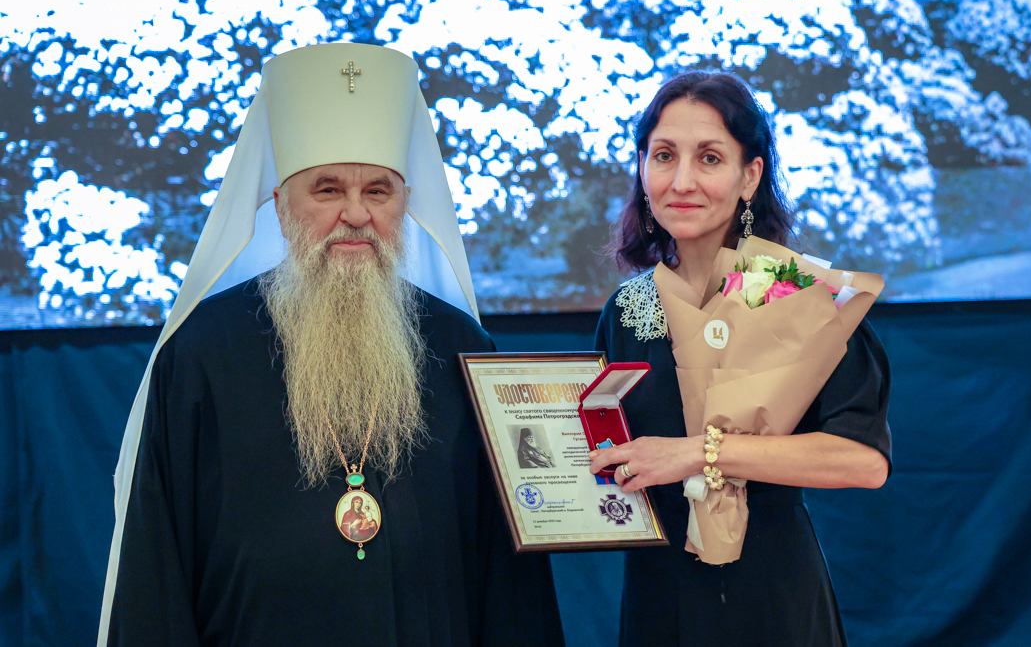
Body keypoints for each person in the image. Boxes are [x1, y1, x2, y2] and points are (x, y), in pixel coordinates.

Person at [100, 44, 564, 647]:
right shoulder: (201, 355)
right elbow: (155, 573)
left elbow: (510, 586)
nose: (356, 214)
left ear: (404, 204)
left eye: (378, 191)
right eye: (326, 190)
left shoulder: (462, 349)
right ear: (280, 207)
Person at [588, 71, 891, 646]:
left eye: (709, 158)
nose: (681, 181)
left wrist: (696, 453)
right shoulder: (625, 313)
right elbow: (604, 454)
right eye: (663, 156)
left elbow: (863, 462)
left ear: (750, 175)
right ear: (642, 169)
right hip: (660, 597)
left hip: (773, 597)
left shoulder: (803, 298)